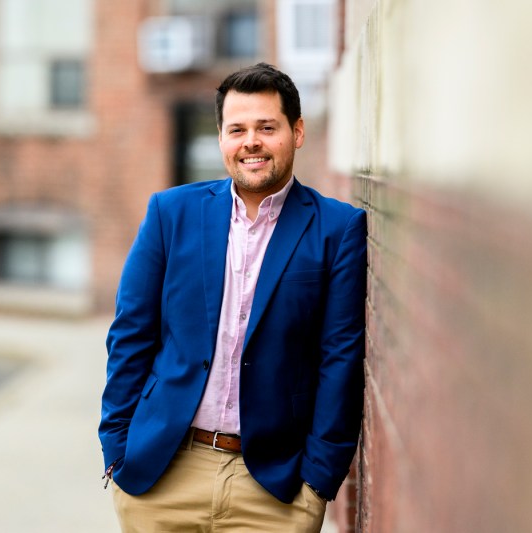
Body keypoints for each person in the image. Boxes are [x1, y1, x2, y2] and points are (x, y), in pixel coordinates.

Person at [99, 62, 367, 532]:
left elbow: (340, 359)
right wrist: (117, 449)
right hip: (163, 475)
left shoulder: (337, 228)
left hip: (274, 489)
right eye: (237, 129)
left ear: (297, 132)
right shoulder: (170, 213)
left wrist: (318, 481)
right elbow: (131, 335)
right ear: (222, 137)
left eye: (267, 128)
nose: (251, 142)